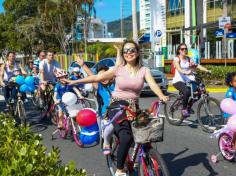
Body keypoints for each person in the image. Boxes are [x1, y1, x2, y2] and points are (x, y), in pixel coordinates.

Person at [63, 41, 168, 176]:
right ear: (123, 55)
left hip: (133, 107)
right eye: (125, 51)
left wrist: (161, 96)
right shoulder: (118, 69)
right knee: (125, 137)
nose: (128, 53)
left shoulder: (144, 70)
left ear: (137, 52)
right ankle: (119, 169)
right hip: (117, 106)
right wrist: (74, 82)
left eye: (131, 50)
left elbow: (153, 84)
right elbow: (97, 77)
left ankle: (139, 157)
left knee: (143, 134)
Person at [172, 43, 211, 117]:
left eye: (185, 49)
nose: (184, 50)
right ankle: (184, 109)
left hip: (187, 80)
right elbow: (177, 67)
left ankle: (188, 106)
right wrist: (184, 71)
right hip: (178, 80)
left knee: (200, 91)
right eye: (182, 49)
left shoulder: (189, 59)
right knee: (186, 91)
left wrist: (207, 70)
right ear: (179, 51)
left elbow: (197, 66)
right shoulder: (176, 59)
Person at [224, 72, 236, 149]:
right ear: (231, 83)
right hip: (230, 115)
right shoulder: (230, 92)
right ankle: (234, 144)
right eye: (235, 81)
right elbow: (229, 105)